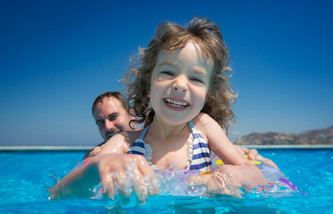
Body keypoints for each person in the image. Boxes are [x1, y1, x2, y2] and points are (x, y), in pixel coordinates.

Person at [50, 16, 271, 201]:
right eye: (167, 72)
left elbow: (253, 173)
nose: (180, 84)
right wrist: (96, 168)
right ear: (148, 86)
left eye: (196, 78)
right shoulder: (124, 143)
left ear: (206, 95)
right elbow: (57, 192)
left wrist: (232, 175)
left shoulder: (203, 127)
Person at [84, 91, 136, 159]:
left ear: (131, 114)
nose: (108, 127)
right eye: (101, 122)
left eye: (113, 117)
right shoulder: (92, 156)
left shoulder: (152, 141)